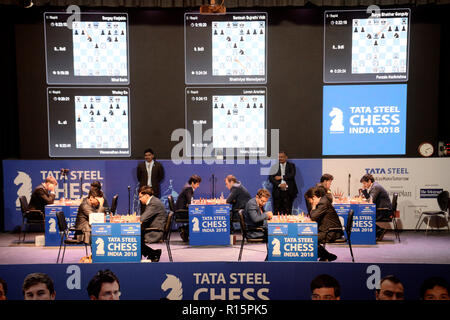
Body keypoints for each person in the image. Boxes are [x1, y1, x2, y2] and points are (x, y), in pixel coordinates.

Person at [304, 186, 342, 262]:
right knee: (308, 236)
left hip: (331, 232)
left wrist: (313, 206)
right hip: (327, 230)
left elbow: (313, 217)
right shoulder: (323, 201)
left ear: (314, 197)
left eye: (310, 200)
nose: (310, 202)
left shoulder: (323, 203)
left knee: (309, 239)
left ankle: (328, 256)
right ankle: (326, 256)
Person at [360, 173, 392, 241]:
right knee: (363, 214)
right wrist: (364, 191)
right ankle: (378, 231)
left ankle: (380, 231)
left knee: (364, 216)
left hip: (384, 211)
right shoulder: (374, 186)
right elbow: (370, 199)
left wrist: (364, 192)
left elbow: (371, 200)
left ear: (369, 181)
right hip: (380, 209)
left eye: (365, 183)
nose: (364, 185)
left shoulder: (376, 187)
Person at [139, 186, 167, 262]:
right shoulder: (153, 201)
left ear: (147, 196)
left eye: (141, 197)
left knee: (134, 238)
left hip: (155, 231)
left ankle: (154, 253)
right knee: (135, 236)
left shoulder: (153, 204)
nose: (139, 199)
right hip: (152, 227)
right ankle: (154, 253)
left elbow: (142, 219)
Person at [175, 174, 202, 242]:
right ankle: (184, 230)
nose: (198, 186)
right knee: (200, 216)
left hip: (182, 211)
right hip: (182, 212)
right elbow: (190, 202)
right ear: (193, 183)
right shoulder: (188, 188)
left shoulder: (187, 187)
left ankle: (185, 231)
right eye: (197, 184)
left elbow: (190, 202)